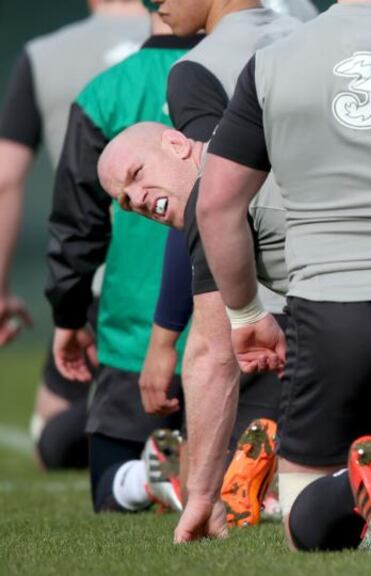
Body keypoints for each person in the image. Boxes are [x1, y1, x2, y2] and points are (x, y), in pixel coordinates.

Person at [194, 0, 371, 548]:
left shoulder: (273, 61)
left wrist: (245, 313)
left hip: (325, 305)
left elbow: (215, 205)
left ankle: (353, 488)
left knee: (302, 519)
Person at [148, 0, 301, 541]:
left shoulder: (195, 69)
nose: (157, 7)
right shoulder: (314, 26)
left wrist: (166, 337)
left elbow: (213, 200)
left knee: (292, 489)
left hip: (273, 316)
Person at [43, 7, 200, 513]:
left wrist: (69, 317)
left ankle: (148, 478)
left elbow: (76, 227)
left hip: (132, 337)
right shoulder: (241, 70)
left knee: (109, 488)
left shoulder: (104, 92)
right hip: (238, 334)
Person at [0, 0, 149, 470]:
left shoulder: (44, 54)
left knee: (53, 436)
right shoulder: (198, 40)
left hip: (100, 284)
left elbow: (6, 177)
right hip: (192, 274)